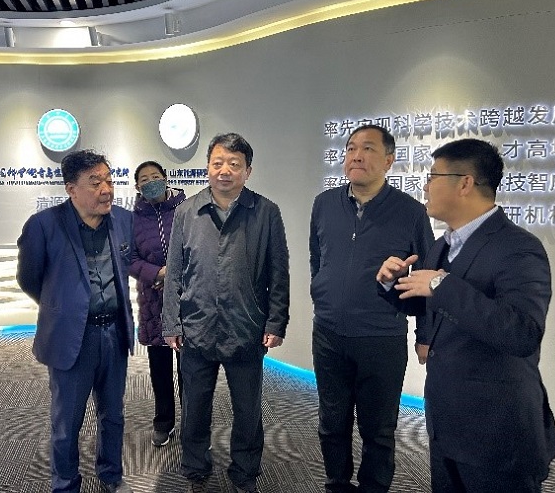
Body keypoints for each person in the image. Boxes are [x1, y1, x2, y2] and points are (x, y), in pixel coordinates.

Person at [379, 138, 555, 492]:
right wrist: (392, 284)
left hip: (497, 434)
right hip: (447, 425)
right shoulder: (442, 246)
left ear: (465, 183)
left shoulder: (518, 248)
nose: (425, 186)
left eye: (433, 176)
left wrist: (442, 286)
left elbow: (522, 332)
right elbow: (434, 308)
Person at [309, 124, 434, 493]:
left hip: (381, 337)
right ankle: (336, 483)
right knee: (331, 422)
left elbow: (426, 277)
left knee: (378, 429)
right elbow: (318, 259)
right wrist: (323, 293)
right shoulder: (324, 204)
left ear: (389, 160)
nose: (356, 156)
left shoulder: (410, 212)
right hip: (328, 334)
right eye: (350, 148)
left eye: (367, 149)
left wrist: (425, 335)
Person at [162, 133, 290, 493]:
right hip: (196, 327)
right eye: (217, 163)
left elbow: (278, 272)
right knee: (194, 408)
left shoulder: (266, 212)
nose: (225, 170)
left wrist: (276, 321)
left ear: (248, 170)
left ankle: (245, 471)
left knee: (248, 410)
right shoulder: (187, 212)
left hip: (246, 327)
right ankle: (195, 467)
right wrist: (171, 322)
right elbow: (174, 272)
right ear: (207, 167)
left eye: (234, 164)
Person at [16, 150, 135, 493]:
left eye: (109, 180)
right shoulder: (43, 225)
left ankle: (111, 475)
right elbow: (29, 278)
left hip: (114, 333)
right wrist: (63, 308)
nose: (106, 189)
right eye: (95, 183)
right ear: (71, 189)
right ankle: (66, 484)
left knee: (113, 414)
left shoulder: (124, 220)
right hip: (72, 337)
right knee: (67, 421)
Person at [129, 161, 186, 447]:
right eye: (144, 179)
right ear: (137, 187)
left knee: (190, 370)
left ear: (165, 178)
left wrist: (173, 275)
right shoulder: (133, 219)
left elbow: (200, 250)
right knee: (160, 369)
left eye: (155, 176)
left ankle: (193, 424)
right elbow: (129, 258)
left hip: (186, 301)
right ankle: (163, 421)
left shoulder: (186, 210)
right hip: (153, 301)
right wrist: (157, 274)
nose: (151, 182)